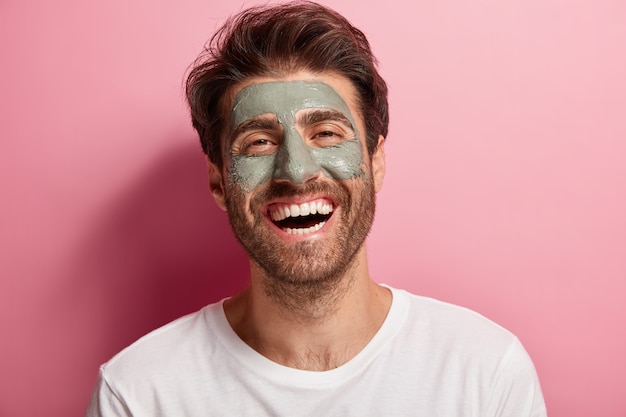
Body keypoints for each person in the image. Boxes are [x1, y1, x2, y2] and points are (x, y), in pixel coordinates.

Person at [86, 1, 547, 416]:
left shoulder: (487, 373)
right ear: (219, 182)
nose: (297, 171)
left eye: (326, 133)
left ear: (376, 162)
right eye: (259, 141)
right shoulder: (139, 394)